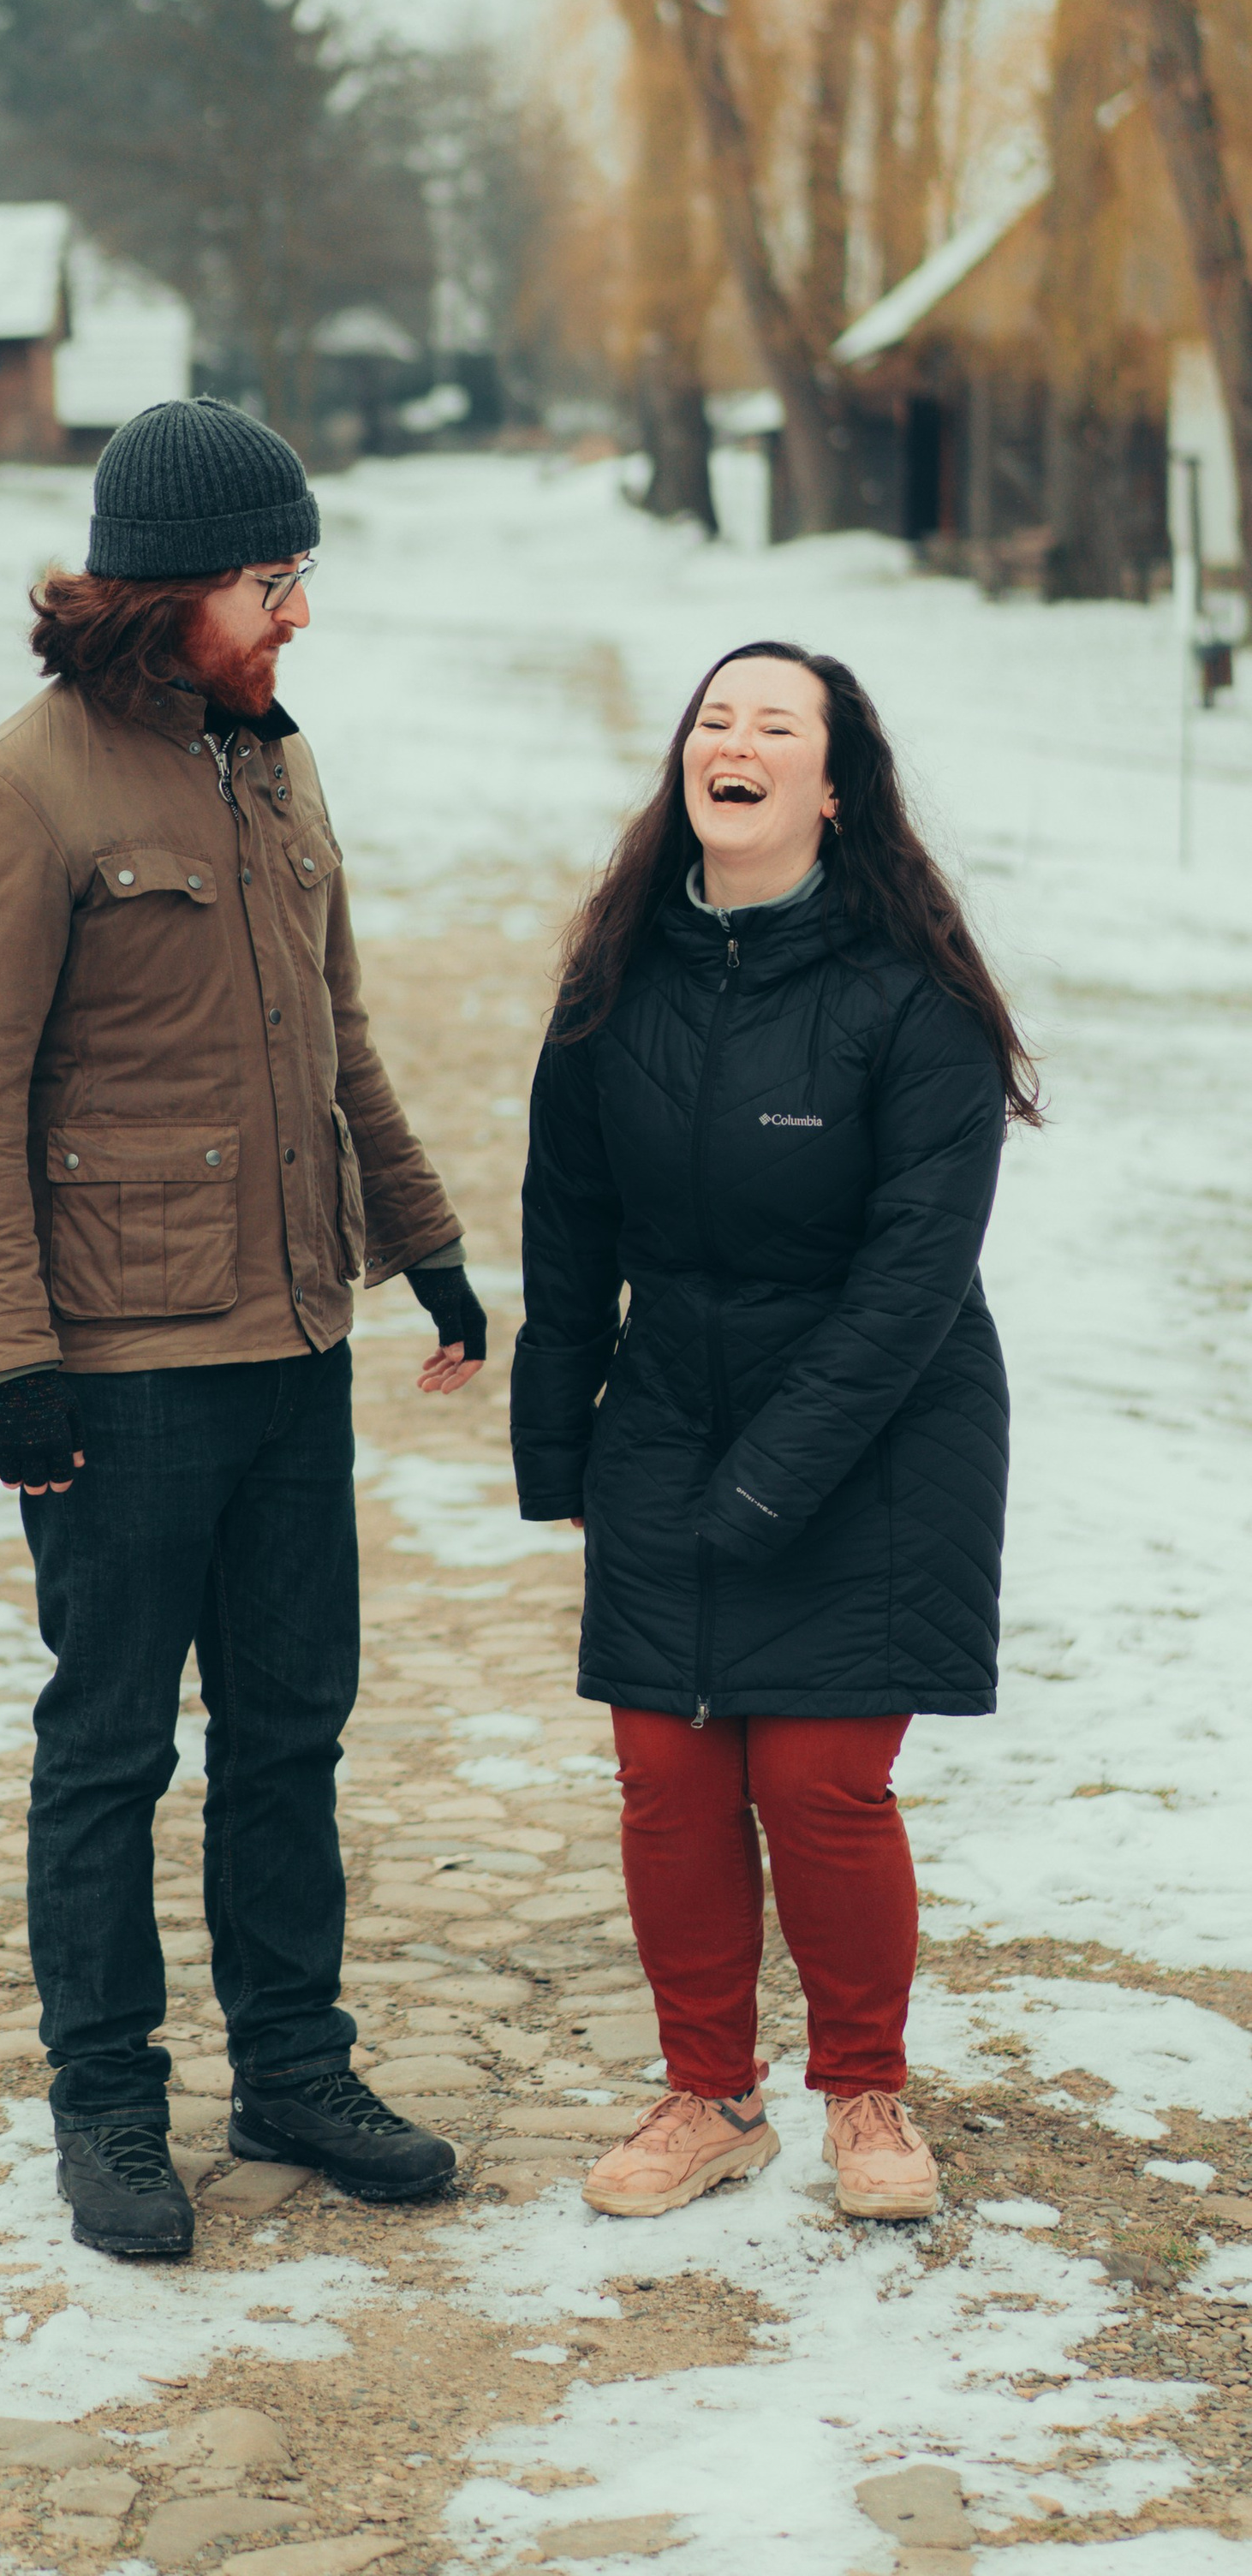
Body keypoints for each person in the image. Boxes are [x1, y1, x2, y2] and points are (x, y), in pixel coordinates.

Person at [0, 398, 487, 2260]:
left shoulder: (274, 767)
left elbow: (339, 1039)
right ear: (170, 590)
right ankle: (108, 2108)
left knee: (290, 1728)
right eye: (271, 579)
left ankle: (294, 2073)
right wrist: (4, 1354)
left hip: (288, 1338)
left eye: (300, 575)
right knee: (107, 1749)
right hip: (118, 1361)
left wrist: (428, 1242)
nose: (297, 612)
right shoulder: (26, 787)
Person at [510, 639, 1036, 2225]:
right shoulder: (616, 975)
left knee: (819, 1780)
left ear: (833, 782)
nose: (731, 744)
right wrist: (565, 1450)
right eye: (713, 721)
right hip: (673, 1410)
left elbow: (914, 1278)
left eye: (774, 726)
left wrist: (767, 1483)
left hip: (882, 1423)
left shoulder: (911, 996)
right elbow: (566, 1224)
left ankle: (865, 2096)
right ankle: (709, 2095)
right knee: (668, 1772)